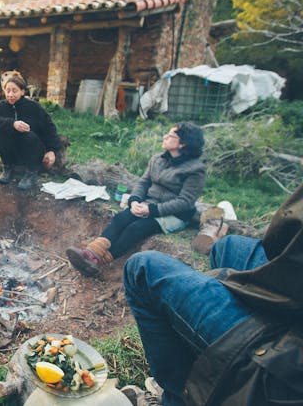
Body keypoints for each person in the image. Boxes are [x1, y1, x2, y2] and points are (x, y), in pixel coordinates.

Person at [122, 183, 303, 406]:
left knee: (142, 268)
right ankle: (205, 374)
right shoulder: (161, 160)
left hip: (287, 363)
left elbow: (288, 228)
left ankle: (178, 397)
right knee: (227, 247)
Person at [66, 122, 205, 277]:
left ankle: (98, 262)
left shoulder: (195, 170)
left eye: (171, 135)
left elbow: (185, 201)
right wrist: (135, 201)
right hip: (150, 205)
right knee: (121, 218)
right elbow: (143, 182)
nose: (165, 137)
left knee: (136, 228)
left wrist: (152, 210)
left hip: (174, 214)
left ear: (183, 143)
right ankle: (90, 253)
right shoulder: (158, 159)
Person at [0, 71, 62, 190]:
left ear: (22, 91)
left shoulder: (33, 107)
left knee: (27, 135)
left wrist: (51, 150)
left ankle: (31, 173)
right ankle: (8, 168)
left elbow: (49, 128)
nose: (11, 94)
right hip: (14, 153)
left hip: (33, 151)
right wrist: (12, 123)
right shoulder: (1, 106)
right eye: (8, 91)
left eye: (14, 91)